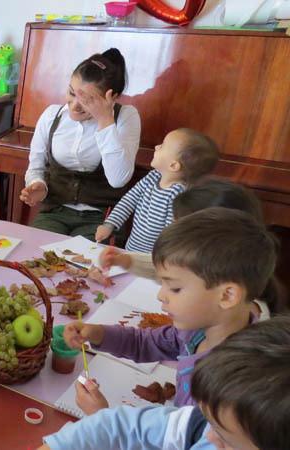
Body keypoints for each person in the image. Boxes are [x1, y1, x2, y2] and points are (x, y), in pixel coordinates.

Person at [63, 208, 280, 415]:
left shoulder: (230, 390)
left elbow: (186, 437)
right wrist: (97, 333)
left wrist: (102, 418)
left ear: (227, 296)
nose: (161, 295)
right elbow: (145, 342)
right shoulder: (198, 331)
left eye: (175, 288)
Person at [38, 315, 290, 450]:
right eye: (211, 423)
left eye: (227, 441)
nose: (210, 437)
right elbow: (123, 426)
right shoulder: (205, 425)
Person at [98, 178, 283, 321]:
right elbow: (174, 271)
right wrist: (127, 260)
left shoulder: (243, 318)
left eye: (176, 289)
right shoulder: (219, 269)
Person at [19, 48, 142, 241]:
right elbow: (36, 166)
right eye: (72, 93)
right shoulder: (52, 115)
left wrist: (105, 119)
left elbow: (118, 179)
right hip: (55, 211)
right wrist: (38, 185)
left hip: (102, 219)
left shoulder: (126, 116)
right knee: (35, 251)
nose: (75, 105)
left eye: (87, 100)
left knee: (81, 258)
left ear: (112, 97)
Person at [95, 128, 220, 251]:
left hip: (154, 258)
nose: (156, 147)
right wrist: (109, 224)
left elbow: (171, 235)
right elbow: (128, 201)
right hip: (132, 250)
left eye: (163, 146)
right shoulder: (152, 177)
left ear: (173, 165)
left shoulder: (178, 195)